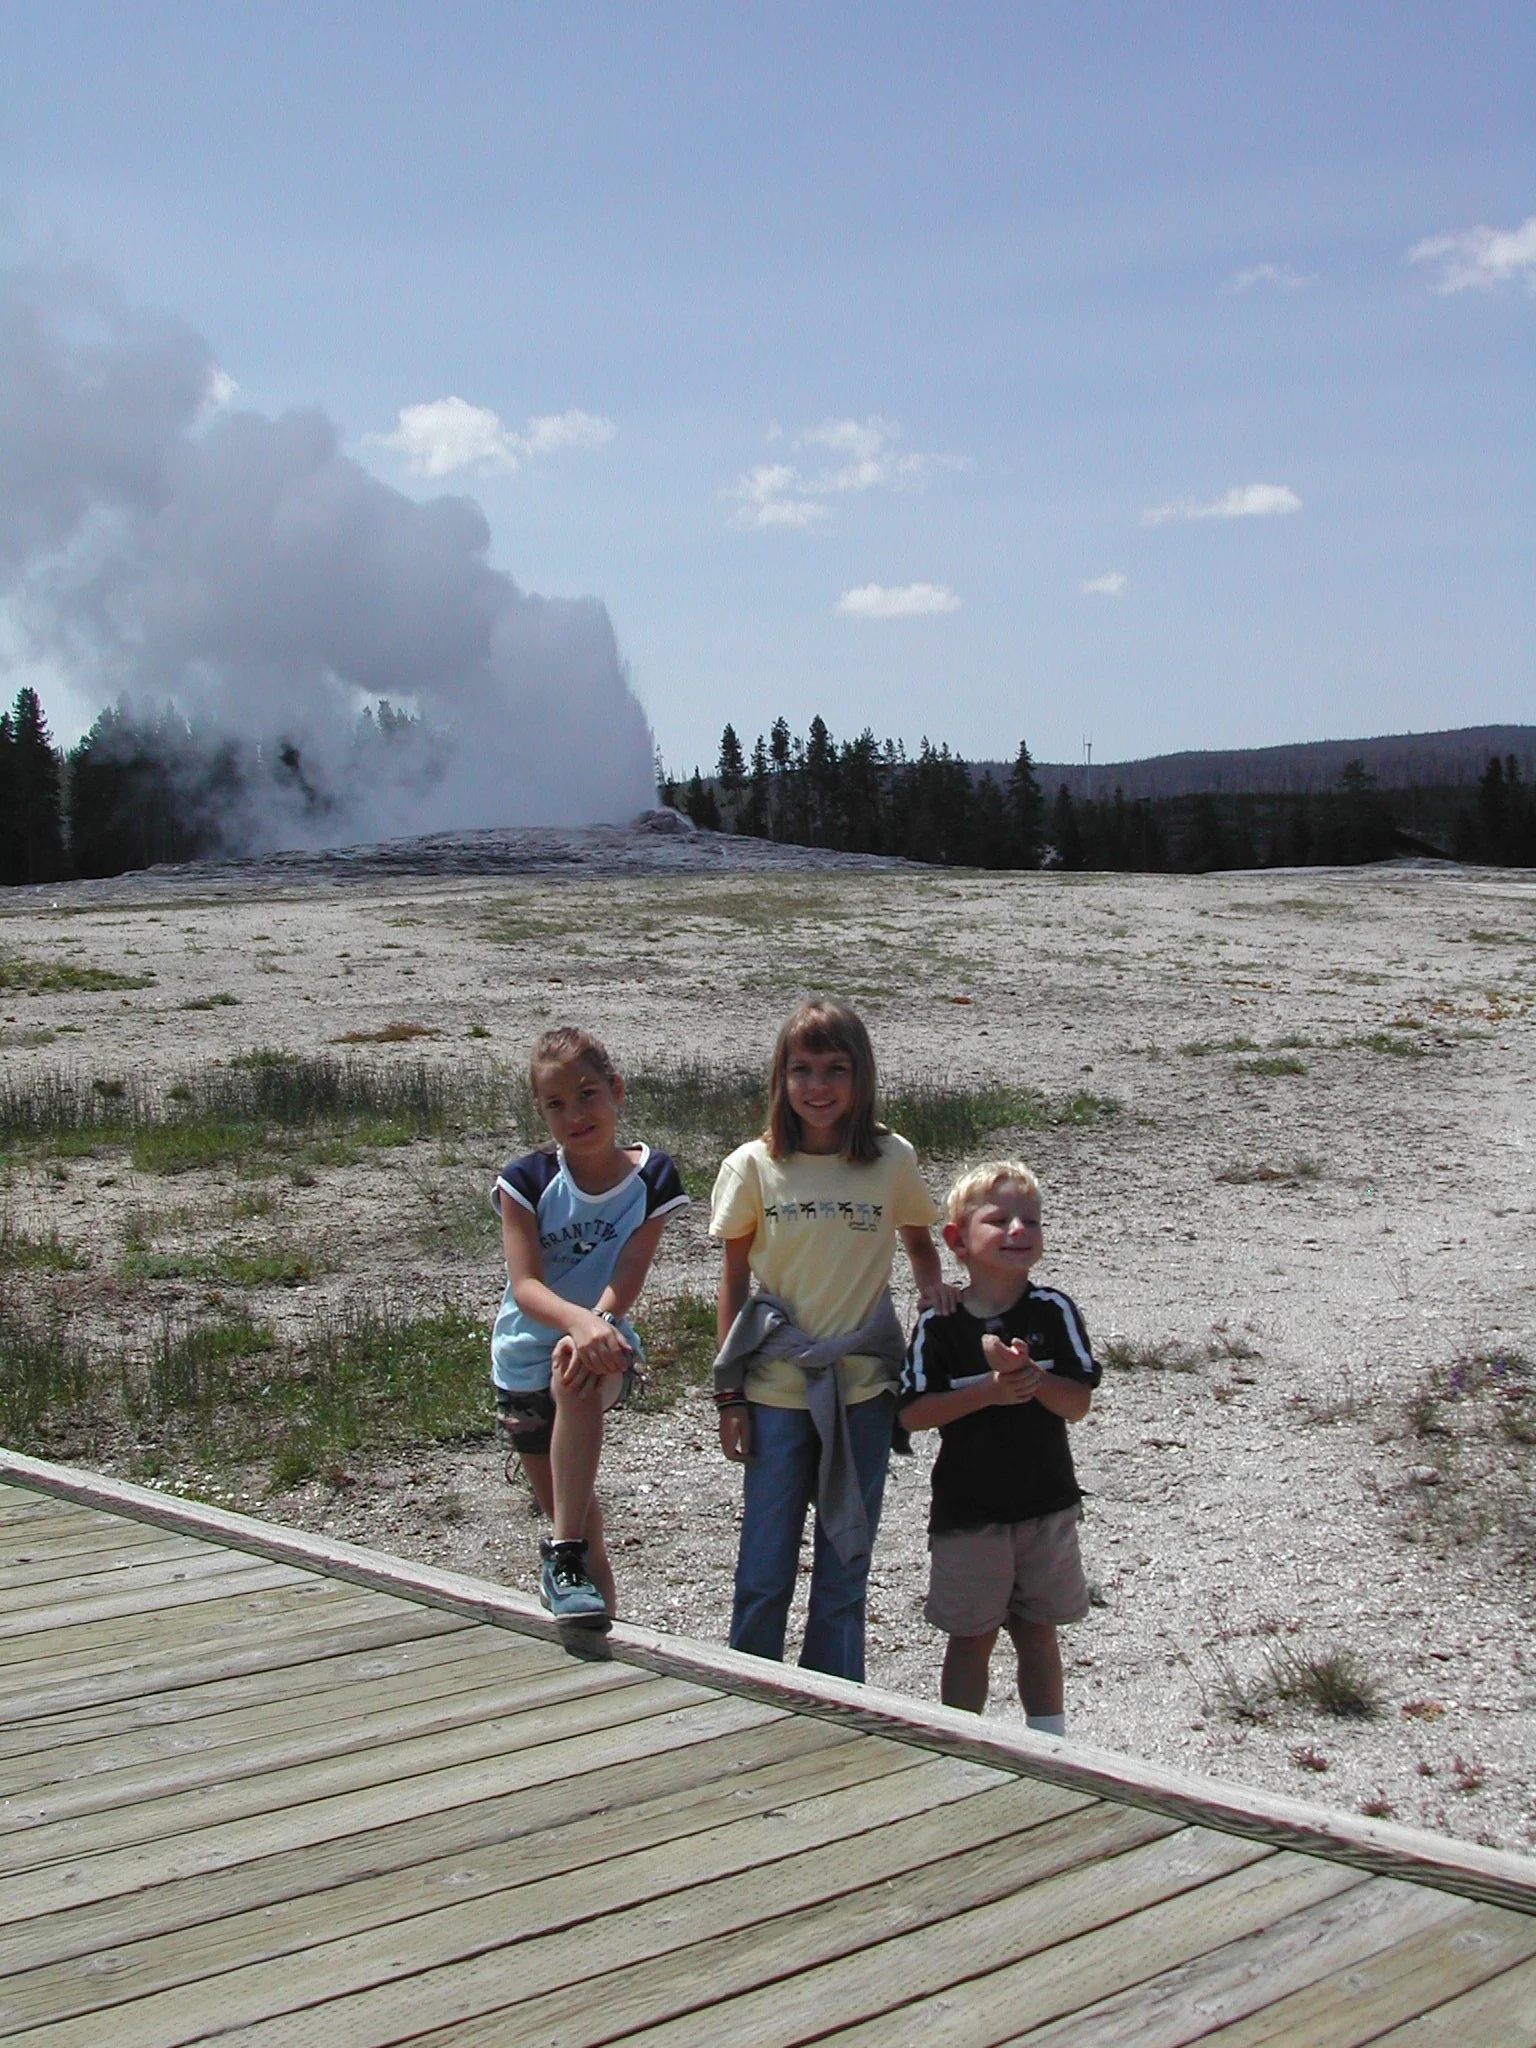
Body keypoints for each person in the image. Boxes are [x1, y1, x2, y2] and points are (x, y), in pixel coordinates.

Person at [710, 998, 955, 1682]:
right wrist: (728, 1393)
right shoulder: (753, 1167)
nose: (819, 1088)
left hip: (863, 1388)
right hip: (777, 1389)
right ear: (781, 1080)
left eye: (836, 1070)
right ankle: (751, 1693)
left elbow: (918, 1241)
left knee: (846, 1565)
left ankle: (838, 1703)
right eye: (803, 1070)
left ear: (861, 1077)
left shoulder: (889, 1159)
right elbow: (733, 1278)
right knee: (765, 1564)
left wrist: (931, 1287)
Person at [492, 1026, 687, 1625]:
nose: (575, 1114)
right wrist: (579, 1322)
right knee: (577, 1514)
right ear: (541, 1114)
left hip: (601, 1346)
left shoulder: (652, 1179)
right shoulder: (525, 1181)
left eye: (587, 1095)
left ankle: (564, 1556)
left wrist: (597, 1324)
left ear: (616, 1090)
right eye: (556, 1104)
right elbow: (526, 1288)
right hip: (521, 1361)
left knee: (571, 1368)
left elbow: (630, 1270)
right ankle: (593, 1627)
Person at [898, 1160, 1100, 1734]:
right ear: (958, 1241)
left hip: (1046, 1504)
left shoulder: (1053, 1310)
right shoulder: (940, 1326)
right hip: (969, 1514)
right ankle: (962, 1743)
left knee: (1039, 1630)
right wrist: (988, 1391)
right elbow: (911, 1415)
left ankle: (1051, 1743)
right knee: (971, 1636)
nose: (1019, 1230)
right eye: (1000, 1220)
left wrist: (1030, 1378)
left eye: (1030, 1221)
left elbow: (1078, 1404)